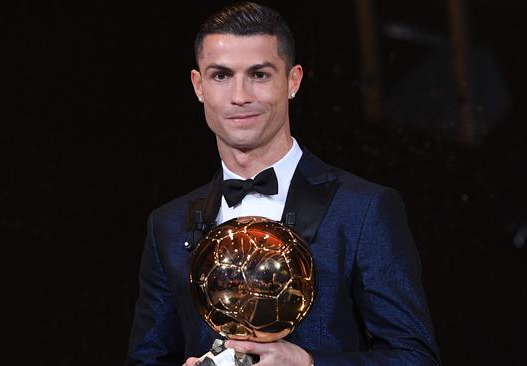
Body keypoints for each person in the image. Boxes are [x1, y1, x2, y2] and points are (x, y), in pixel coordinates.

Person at [126, 2, 441, 365]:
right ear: (198, 86)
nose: (240, 96)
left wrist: (308, 364)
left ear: (293, 81)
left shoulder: (363, 209)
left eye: (259, 75)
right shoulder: (166, 226)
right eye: (221, 76)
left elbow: (416, 358)